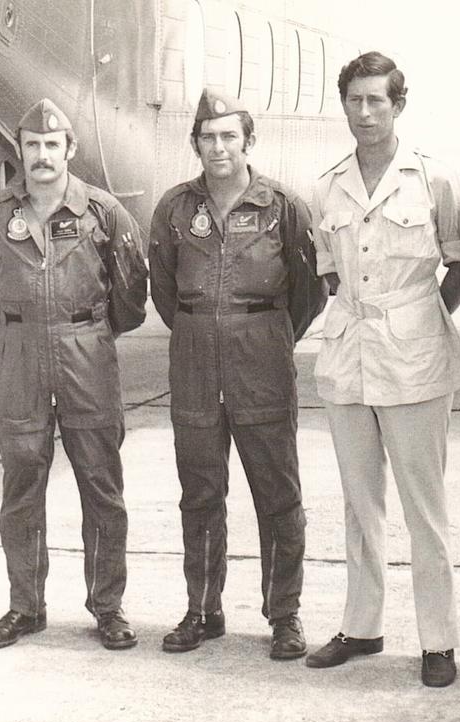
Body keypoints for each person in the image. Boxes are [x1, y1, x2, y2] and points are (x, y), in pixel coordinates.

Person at [304, 52, 460, 688]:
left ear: (399, 105)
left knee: (423, 506)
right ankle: (362, 625)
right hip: (348, 353)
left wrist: (420, 317)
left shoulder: (433, 179)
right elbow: (327, 270)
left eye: (379, 100)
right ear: (344, 105)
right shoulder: (327, 185)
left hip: (415, 354)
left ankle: (439, 640)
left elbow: (458, 265)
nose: (367, 112)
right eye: (356, 100)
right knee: (357, 501)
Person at [148, 88, 326, 660]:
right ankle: (202, 609)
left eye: (229, 135)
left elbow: (309, 294)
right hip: (197, 364)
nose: (218, 146)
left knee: (277, 493)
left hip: (263, 366)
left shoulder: (283, 207)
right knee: (200, 493)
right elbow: (163, 291)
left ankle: (284, 615)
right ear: (195, 143)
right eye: (208, 136)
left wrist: (265, 336)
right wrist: (206, 332)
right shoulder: (175, 209)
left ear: (248, 141)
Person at [0, 98, 148, 650]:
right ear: (19, 152)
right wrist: (19, 329)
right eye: (31, 146)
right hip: (20, 354)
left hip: (86, 354)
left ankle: (108, 607)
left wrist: (84, 332)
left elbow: (131, 297)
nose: (42, 156)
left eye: (52, 145)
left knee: (100, 483)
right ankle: (25, 607)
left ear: (70, 149)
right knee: (21, 482)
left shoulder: (103, 212)